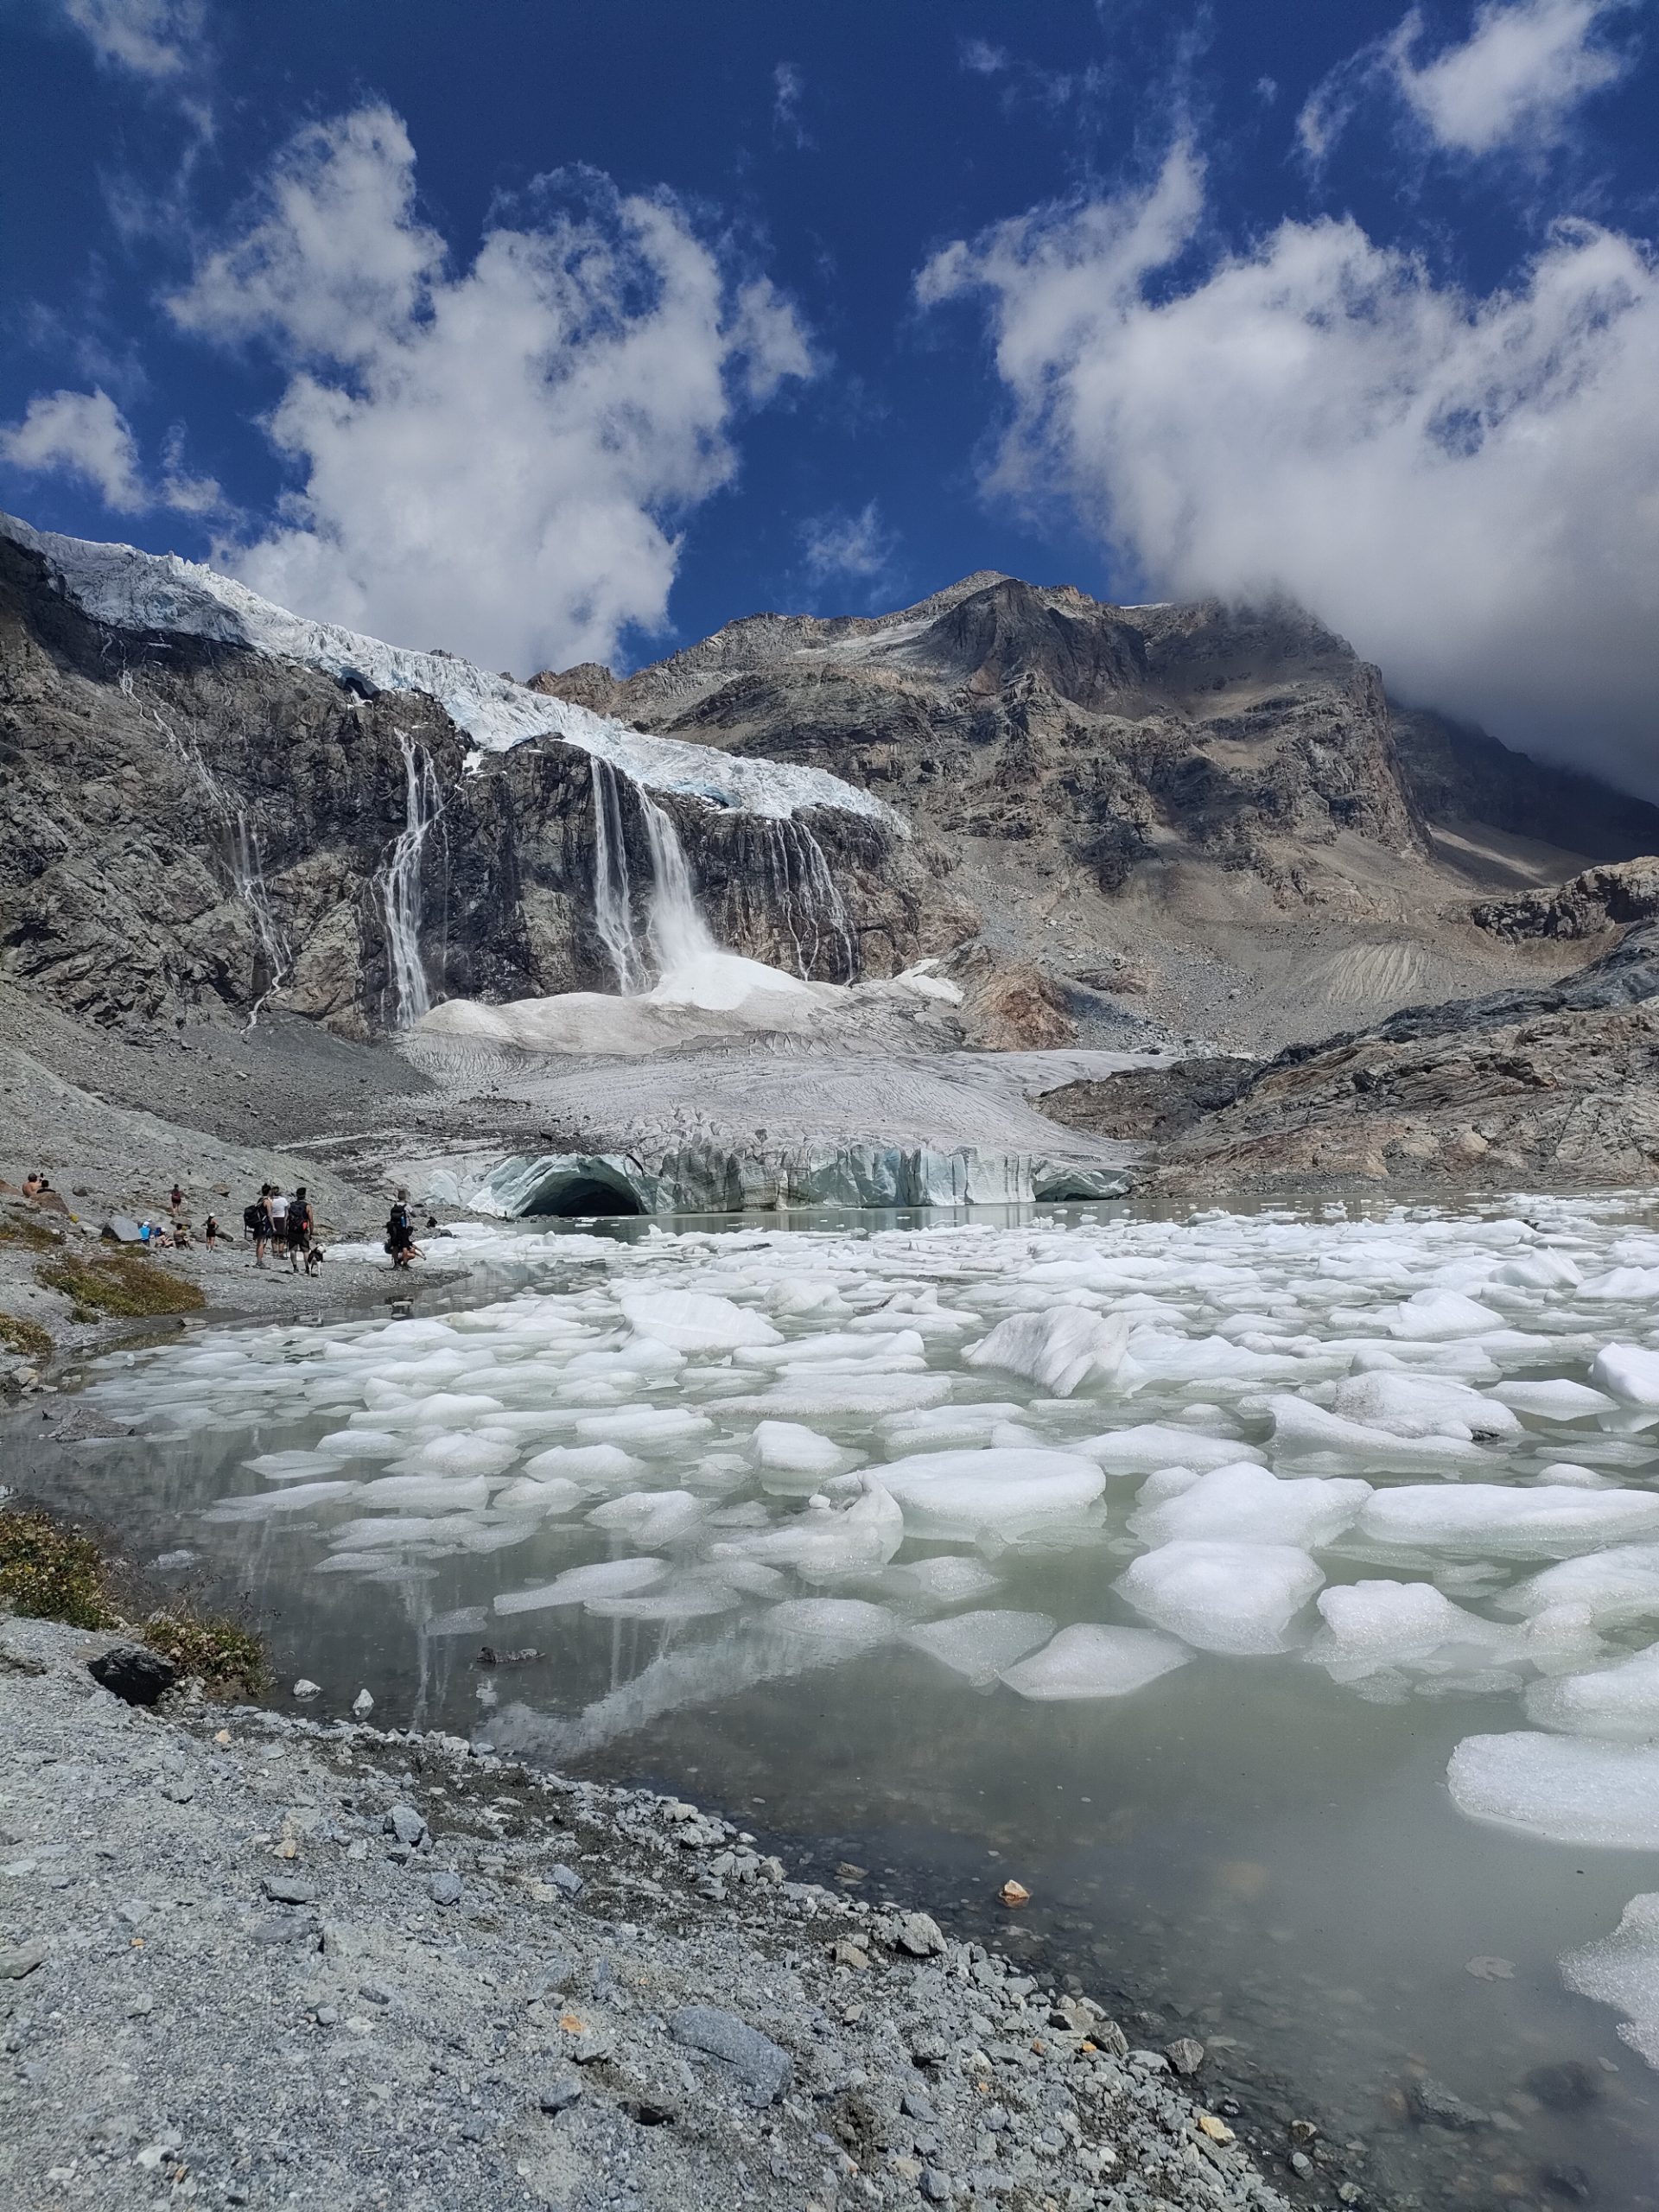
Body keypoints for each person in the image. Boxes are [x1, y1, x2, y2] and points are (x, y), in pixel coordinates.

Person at [385, 1187, 420, 1269]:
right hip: (403, 1229)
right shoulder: (406, 1206)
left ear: (398, 1197)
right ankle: (404, 1263)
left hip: (394, 1228)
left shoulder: (394, 1205)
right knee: (404, 1246)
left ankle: (396, 1264)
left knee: (395, 1246)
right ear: (404, 1197)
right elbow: (414, 1215)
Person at [287, 1185, 314, 1274]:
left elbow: (286, 1218)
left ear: (297, 1195)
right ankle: (307, 1269)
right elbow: (311, 1220)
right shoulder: (307, 1206)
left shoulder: (291, 1205)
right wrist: (311, 1233)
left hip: (292, 1230)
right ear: (304, 1195)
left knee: (293, 1250)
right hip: (303, 1230)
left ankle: (295, 1268)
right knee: (305, 1250)